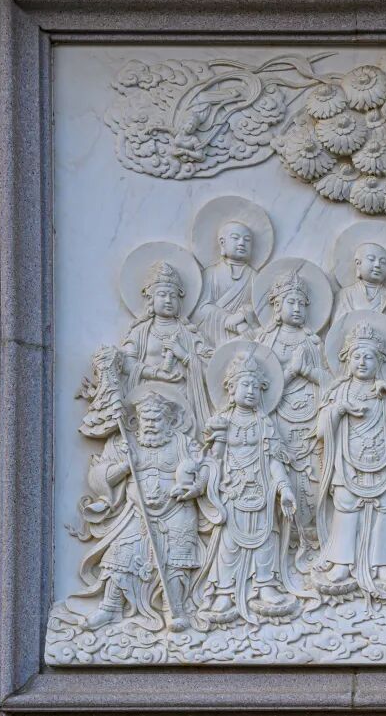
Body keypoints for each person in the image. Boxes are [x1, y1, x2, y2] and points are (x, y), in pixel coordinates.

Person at [71, 388, 216, 632]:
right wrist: (124, 467)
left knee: (177, 558)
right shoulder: (124, 443)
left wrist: (196, 487)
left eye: (156, 419)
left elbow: (206, 465)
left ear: (169, 421)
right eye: (145, 419)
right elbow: (98, 476)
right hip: (137, 511)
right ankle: (110, 607)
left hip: (177, 509)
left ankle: (173, 608)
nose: (150, 424)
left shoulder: (182, 443)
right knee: (120, 554)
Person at [197, 351, 300, 624]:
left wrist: (285, 489)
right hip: (233, 490)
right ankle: (224, 591)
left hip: (262, 491)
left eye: (256, 386)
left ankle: (265, 585)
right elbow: (213, 460)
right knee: (229, 543)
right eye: (245, 384)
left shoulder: (265, 423)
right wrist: (216, 444)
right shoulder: (222, 421)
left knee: (266, 540)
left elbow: (275, 460)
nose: (251, 391)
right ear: (231, 388)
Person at [313, 321, 386, 598]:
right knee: (346, 507)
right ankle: (341, 562)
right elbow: (321, 432)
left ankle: (385, 564)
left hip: (385, 462)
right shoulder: (339, 392)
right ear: (346, 360)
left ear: (380, 361)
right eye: (357, 356)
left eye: (369, 357)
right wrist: (340, 410)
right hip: (349, 463)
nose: (362, 362)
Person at [254, 269, 329, 543]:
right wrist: (291, 371)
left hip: (311, 414)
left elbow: (330, 381)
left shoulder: (313, 341)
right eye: (291, 302)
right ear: (277, 306)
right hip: (279, 416)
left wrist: (307, 371)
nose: (297, 308)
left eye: (301, 303)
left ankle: (312, 527)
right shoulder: (265, 342)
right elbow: (261, 389)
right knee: (283, 465)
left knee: (312, 471)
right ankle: (285, 528)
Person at [120, 261, 211, 436]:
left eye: (173, 296)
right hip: (148, 404)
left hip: (183, 403)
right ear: (151, 299)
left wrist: (183, 355)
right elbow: (126, 364)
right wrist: (156, 374)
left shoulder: (189, 334)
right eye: (162, 295)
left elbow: (208, 372)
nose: (168, 300)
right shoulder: (140, 331)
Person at [194, 220, 261, 346]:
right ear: (222, 243)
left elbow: (262, 308)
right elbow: (200, 310)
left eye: (247, 240)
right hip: (214, 336)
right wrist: (231, 321)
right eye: (235, 238)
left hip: (245, 338)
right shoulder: (210, 274)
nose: (242, 243)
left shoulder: (255, 277)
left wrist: (244, 314)